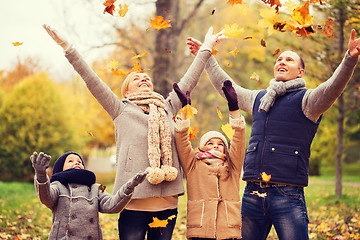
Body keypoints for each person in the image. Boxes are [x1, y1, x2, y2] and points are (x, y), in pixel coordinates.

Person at [43, 24, 226, 240]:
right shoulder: (120, 109)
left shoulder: (167, 107)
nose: (144, 79)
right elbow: (91, 79)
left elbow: (189, 81)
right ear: (126, 91)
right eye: (136, 79)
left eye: (146, 78)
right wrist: (68, 48)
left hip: (167, 203)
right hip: (132, 203)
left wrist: (206, 47)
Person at [186, 29, 360, 240]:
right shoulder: (258, 98)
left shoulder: (308, 101)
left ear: (300, 72)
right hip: (252, 194)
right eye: (279, 59)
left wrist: (349, 59)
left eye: (289, 59)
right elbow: (227, 88)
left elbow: (332, 88)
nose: (282, 61)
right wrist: (206, 56)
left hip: (288, 195)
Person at [173, 80, 246, 240]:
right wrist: (185, 110)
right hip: (200, 228)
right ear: (202, 147)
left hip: (228, 229)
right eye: (210, 143)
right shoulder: (193, 164)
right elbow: (182, 140)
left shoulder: (232, 166)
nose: (216, 146)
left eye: (220, 144)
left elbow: (239, 140)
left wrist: (234, 109)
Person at [30, 151, 147, 239]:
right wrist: (41, 175)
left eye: (79, 161)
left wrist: (130, 186)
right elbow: (46, 198)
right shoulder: (58, 185)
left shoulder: (97, 187)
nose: (76, 162)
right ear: (60, 169)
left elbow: (112, 205)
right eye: (70, 161)